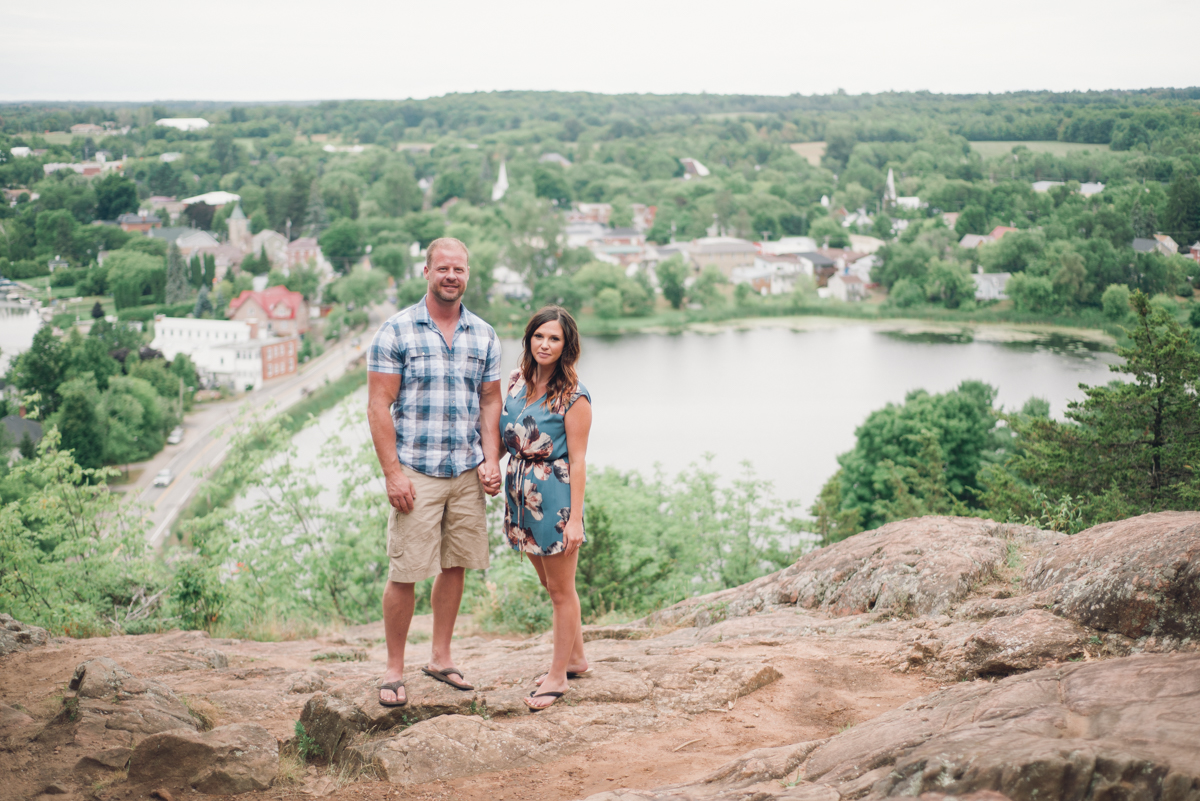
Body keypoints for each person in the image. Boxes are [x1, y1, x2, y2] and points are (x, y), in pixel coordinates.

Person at [366, 237, 503, 707]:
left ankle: (441, 658)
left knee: (455, 563)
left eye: (459, 269)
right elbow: (378, 404)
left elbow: (490, 401)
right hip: (416, 471)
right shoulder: (396, 331)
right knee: (405, 570)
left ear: (468, 274)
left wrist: (491, 459)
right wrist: (392, 473)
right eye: (442, 268)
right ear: (426, 271)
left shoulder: (484, 334)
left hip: (466, 470)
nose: (451, 276)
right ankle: (393, 670)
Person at [500, 306, 593, 711]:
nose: (545, 344)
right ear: (529, 338)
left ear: (565, 345)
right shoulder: (517, 382)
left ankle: (558, 678)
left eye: (554, 338)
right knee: (552, 586)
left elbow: (578, 461)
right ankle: (576, 658)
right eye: (540, 336)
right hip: (520, 498)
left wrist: (575, 519)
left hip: (553, 501)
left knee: (561, 590)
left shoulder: (574, 396)